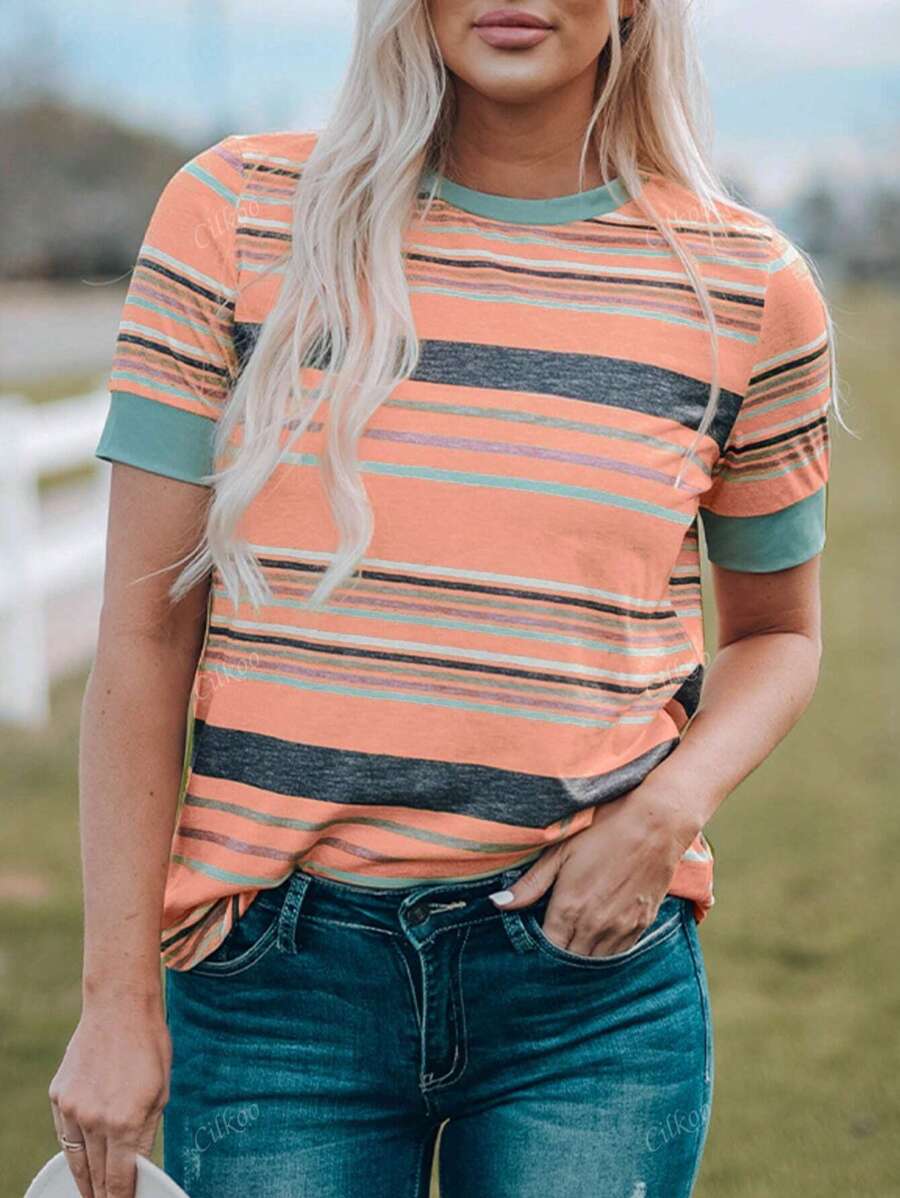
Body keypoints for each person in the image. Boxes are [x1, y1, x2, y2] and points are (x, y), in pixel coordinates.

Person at [48, 2, 844, 1196]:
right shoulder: (236, 217)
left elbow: (779, 634)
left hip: (590, 991)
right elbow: (145, 632)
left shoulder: (748, 289)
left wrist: (666, 811)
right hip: (274, 988)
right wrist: (116, 999)